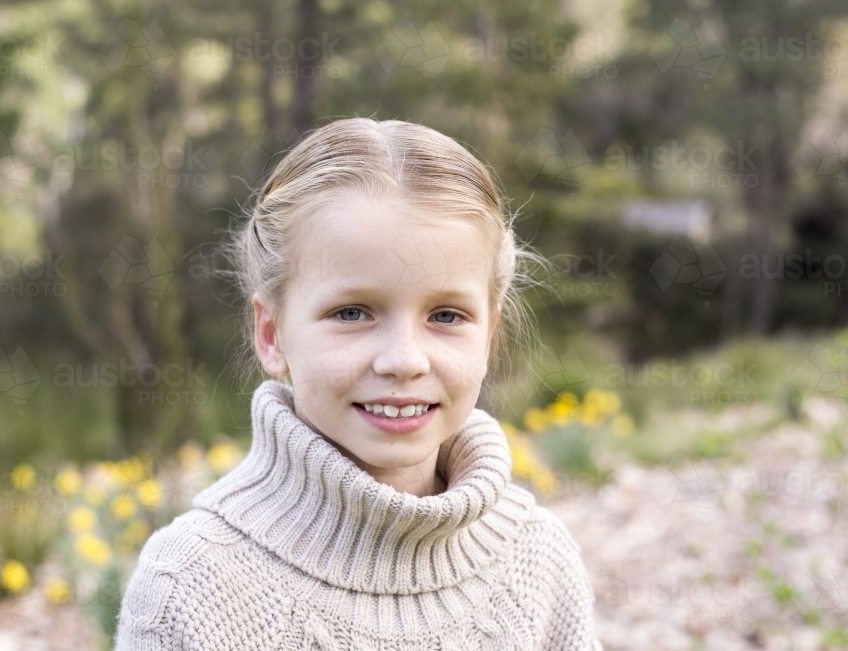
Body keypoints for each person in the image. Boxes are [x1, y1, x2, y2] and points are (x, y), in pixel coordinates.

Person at [114, 117, 602, 650]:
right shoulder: (192, 583)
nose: (404, 361)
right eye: (352, 313)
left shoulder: (537, 559)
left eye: (446, 315)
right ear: (272, 333)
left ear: (489, 335)